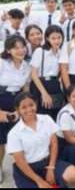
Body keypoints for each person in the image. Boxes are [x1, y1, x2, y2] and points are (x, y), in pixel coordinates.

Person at [7, 92, 75, 188]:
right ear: (18, 110)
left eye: (31, 105)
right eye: (24, 107)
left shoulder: (46, 119)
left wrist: (51, 168)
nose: (29, 109)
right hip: (28, 167)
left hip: (47, 162)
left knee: (74, 174)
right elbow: (20, 162)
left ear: (36, 103)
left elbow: (54, 145)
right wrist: (39, 181)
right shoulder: (14, 133)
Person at [0, 35, 31, 183]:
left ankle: (23, 169)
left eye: (22, 46)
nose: (20, 50)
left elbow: (25, 88)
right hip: (1, 99)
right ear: (8, 50)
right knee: (0, 140)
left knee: (20, 137)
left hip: (17, 101)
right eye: (16, 48)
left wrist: (20, 110)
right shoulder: (2, 63)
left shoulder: (27, 64)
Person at [30, 25, 64, 121]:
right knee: (42, 115)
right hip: (40, 85)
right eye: (53, 38)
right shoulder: (40, 51)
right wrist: (44, 93)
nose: (57, 41)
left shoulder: (60, 52)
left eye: (59, 38)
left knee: (56, 114)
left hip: (54, 84)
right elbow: (33, 74)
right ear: (47, 38)